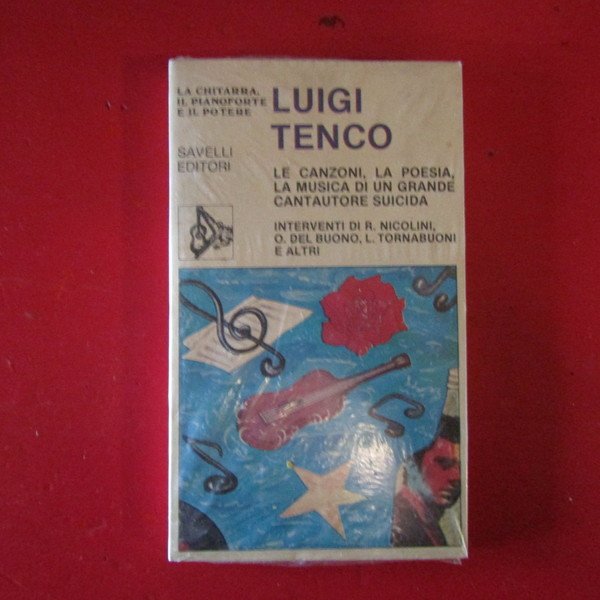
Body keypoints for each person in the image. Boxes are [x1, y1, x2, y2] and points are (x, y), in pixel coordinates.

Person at [391, 369, 461, 547]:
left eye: (461, 468)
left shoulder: (427, 524)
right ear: (414, 463)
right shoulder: (402, 527)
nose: (456, 477)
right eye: (444, 463)